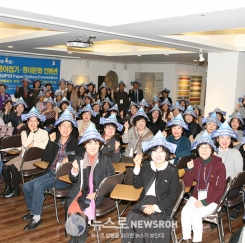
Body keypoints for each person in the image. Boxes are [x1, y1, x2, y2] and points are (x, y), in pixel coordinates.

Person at [21, 109, 81, 231]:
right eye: (63, 126)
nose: (65, 129)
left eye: (68, 126)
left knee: (38, 185)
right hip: (50, 173)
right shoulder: (54, 139)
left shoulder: (75, 142)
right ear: (58, 127)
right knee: (26, 186)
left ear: (71, 129)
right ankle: (34, 210)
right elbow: (46, 157)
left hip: (63, 177)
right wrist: (51, 143)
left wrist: (68, 158)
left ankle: (37, 218)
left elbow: (81, 156)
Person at [122, 131, 179, 243]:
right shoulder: (147, 165)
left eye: (161, 152)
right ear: (150, 153)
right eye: (155, 151)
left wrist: (155, 207)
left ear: (167, 154)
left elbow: (172, 196)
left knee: (146, 221)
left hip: (162, 204)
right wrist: (137, 166)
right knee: (132, 215)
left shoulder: (172, 170)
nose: (158, 155)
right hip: (145, 200)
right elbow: (137, 184)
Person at [65, 123, 115, 243]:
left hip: (95, 192)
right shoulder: (79, 157)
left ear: (100, 145)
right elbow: (73, 179)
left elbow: (111, 179)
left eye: (96, 143)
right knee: (72, 212)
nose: (93, 146)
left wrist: (97, 193)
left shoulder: (105, 159)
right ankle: (74, 237)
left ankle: (81, 237)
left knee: (82, 212)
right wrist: (75, 170)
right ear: (85, 145)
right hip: (79, 191)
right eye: (90, 143)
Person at [181, 131, 226, 243]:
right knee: (185, 211)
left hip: (214, 199)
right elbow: (187, 184)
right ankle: (186, 239)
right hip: (198, 195)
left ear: (211, 150)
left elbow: (220, 189)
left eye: (207, 147)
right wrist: (190, 170)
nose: (204, 150)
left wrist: (205, 202)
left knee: (196, 214)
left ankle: (197, 240)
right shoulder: (196, 162)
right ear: (198, 150)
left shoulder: (219, 165)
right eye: (201, 147)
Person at [0, 107, 49, 198]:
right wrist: (31, 133)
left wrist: (34, 143)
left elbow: (45, 145)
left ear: (38, 122)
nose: (32, 123)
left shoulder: (44, 132)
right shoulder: (23, 132)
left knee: (14, 166)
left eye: (35, 121)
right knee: (5, 167)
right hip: (22, 156)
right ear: (27, 122)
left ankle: (16, 190)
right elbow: (26, 145)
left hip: (36, 159)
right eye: (30, 121)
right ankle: (8, 188)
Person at [212, 121, 243, 220]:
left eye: (228, 138)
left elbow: (238, 174)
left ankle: (214, 212)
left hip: (231, 187)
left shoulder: (235, 153)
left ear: (231, 140)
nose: (225, 141)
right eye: (222, 137)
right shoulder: (212, 152)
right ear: (217, 139)